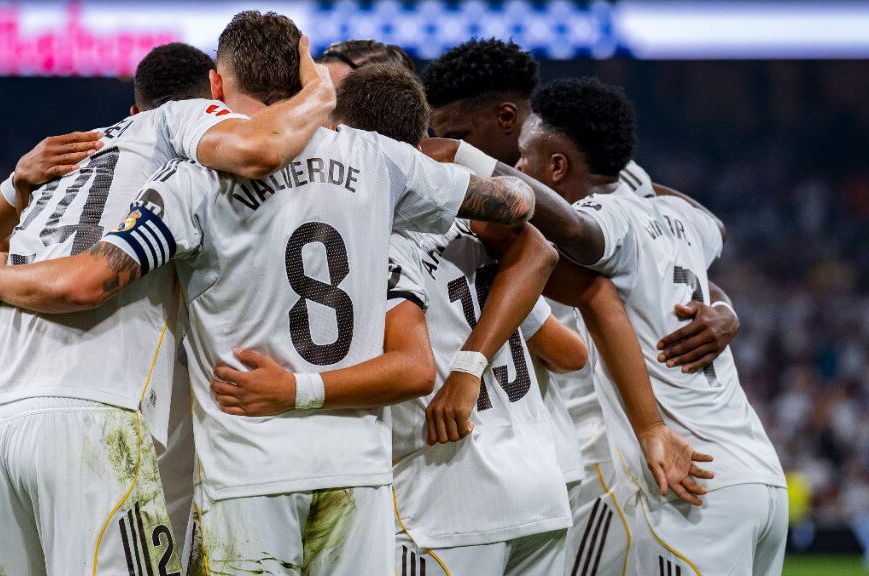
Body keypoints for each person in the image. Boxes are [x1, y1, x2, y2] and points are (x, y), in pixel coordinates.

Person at [0, 12, 539, 576]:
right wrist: (446, 154)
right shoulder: (378, 158)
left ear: (216, 87)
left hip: (248, 465)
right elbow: (516, 203)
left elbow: (93, 276)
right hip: (357, 466)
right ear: (306, 80)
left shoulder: (191, 180)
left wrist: (1, 279)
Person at [0, 34, 337, 575]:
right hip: (91, 410)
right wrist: (319, 93)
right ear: (215, 93)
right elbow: (261, 148)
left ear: (133, 108)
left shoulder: (73, 157)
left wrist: (11, 211)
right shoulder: (183, 122)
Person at [207, 62, 583, 576]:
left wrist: (297, 390)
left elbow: (414, 369)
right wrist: (476, 358)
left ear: (343, 136)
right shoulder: (475, 233)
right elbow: (569, 350)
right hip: (539, 489)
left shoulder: (379, 235)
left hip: (447, 500)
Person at [421, 39, 737, 575]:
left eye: (458, 134)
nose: (447, 144)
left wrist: (723, 306)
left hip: (598, 438)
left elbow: (689, 239)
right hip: (535, 437)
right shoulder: (479, 189)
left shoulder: (598, 177)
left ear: (506, 119)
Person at [514, 77, 787, 576]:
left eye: (522, 157)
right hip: (759, 475)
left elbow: (574, 228)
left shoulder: (606, 214)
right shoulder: (680, 216)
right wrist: (725, 307)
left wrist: (469, 166)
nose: (516, 169)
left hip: (692, 480)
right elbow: (718, 229)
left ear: (556, 167)